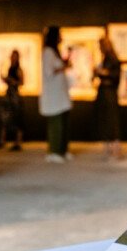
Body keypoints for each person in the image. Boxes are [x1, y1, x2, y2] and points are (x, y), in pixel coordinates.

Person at [40, 26, 71, 163]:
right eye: (59, 35)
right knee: (56, 124)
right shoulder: (47, 52)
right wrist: (63, 66)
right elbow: (49, 72)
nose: (61, 38)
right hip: (53, 96)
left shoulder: (54, 52)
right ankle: (54, 151)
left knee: (63, 122)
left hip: (60, 94)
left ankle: (62, 150)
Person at [93, 37, 122, 160]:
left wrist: (103, 72)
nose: (99, 48)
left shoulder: (113, 59)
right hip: (105, 93)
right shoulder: (105, 59)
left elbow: (115, 75)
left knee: (111, 121)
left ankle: (115, 150)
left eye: (100, 46)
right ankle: (109, 149)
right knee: (106, 120)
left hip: (109, 93)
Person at [0, 49, 25, 151]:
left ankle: (17, 141)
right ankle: (2, 140)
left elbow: (22, 82)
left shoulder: (18, 69)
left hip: (14, 96)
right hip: (9, 95)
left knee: (17, 118)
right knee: (5, 118)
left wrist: (13, 81)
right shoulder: (10, 68)